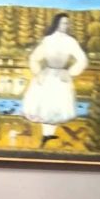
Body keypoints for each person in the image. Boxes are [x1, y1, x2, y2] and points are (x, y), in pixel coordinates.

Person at [21, 13, 88, 147]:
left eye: (67, 23)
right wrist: (38, 73)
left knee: (57, 106)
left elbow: (82, 59)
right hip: (48, 75)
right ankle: (46, 134)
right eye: (63, 23)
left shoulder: (70, 41)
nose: (66, 26)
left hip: (62, 76)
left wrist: (70, 73)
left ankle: (49, 134)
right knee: (45, 105)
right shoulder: (48, 40)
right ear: (57, 23)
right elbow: (34, 57)